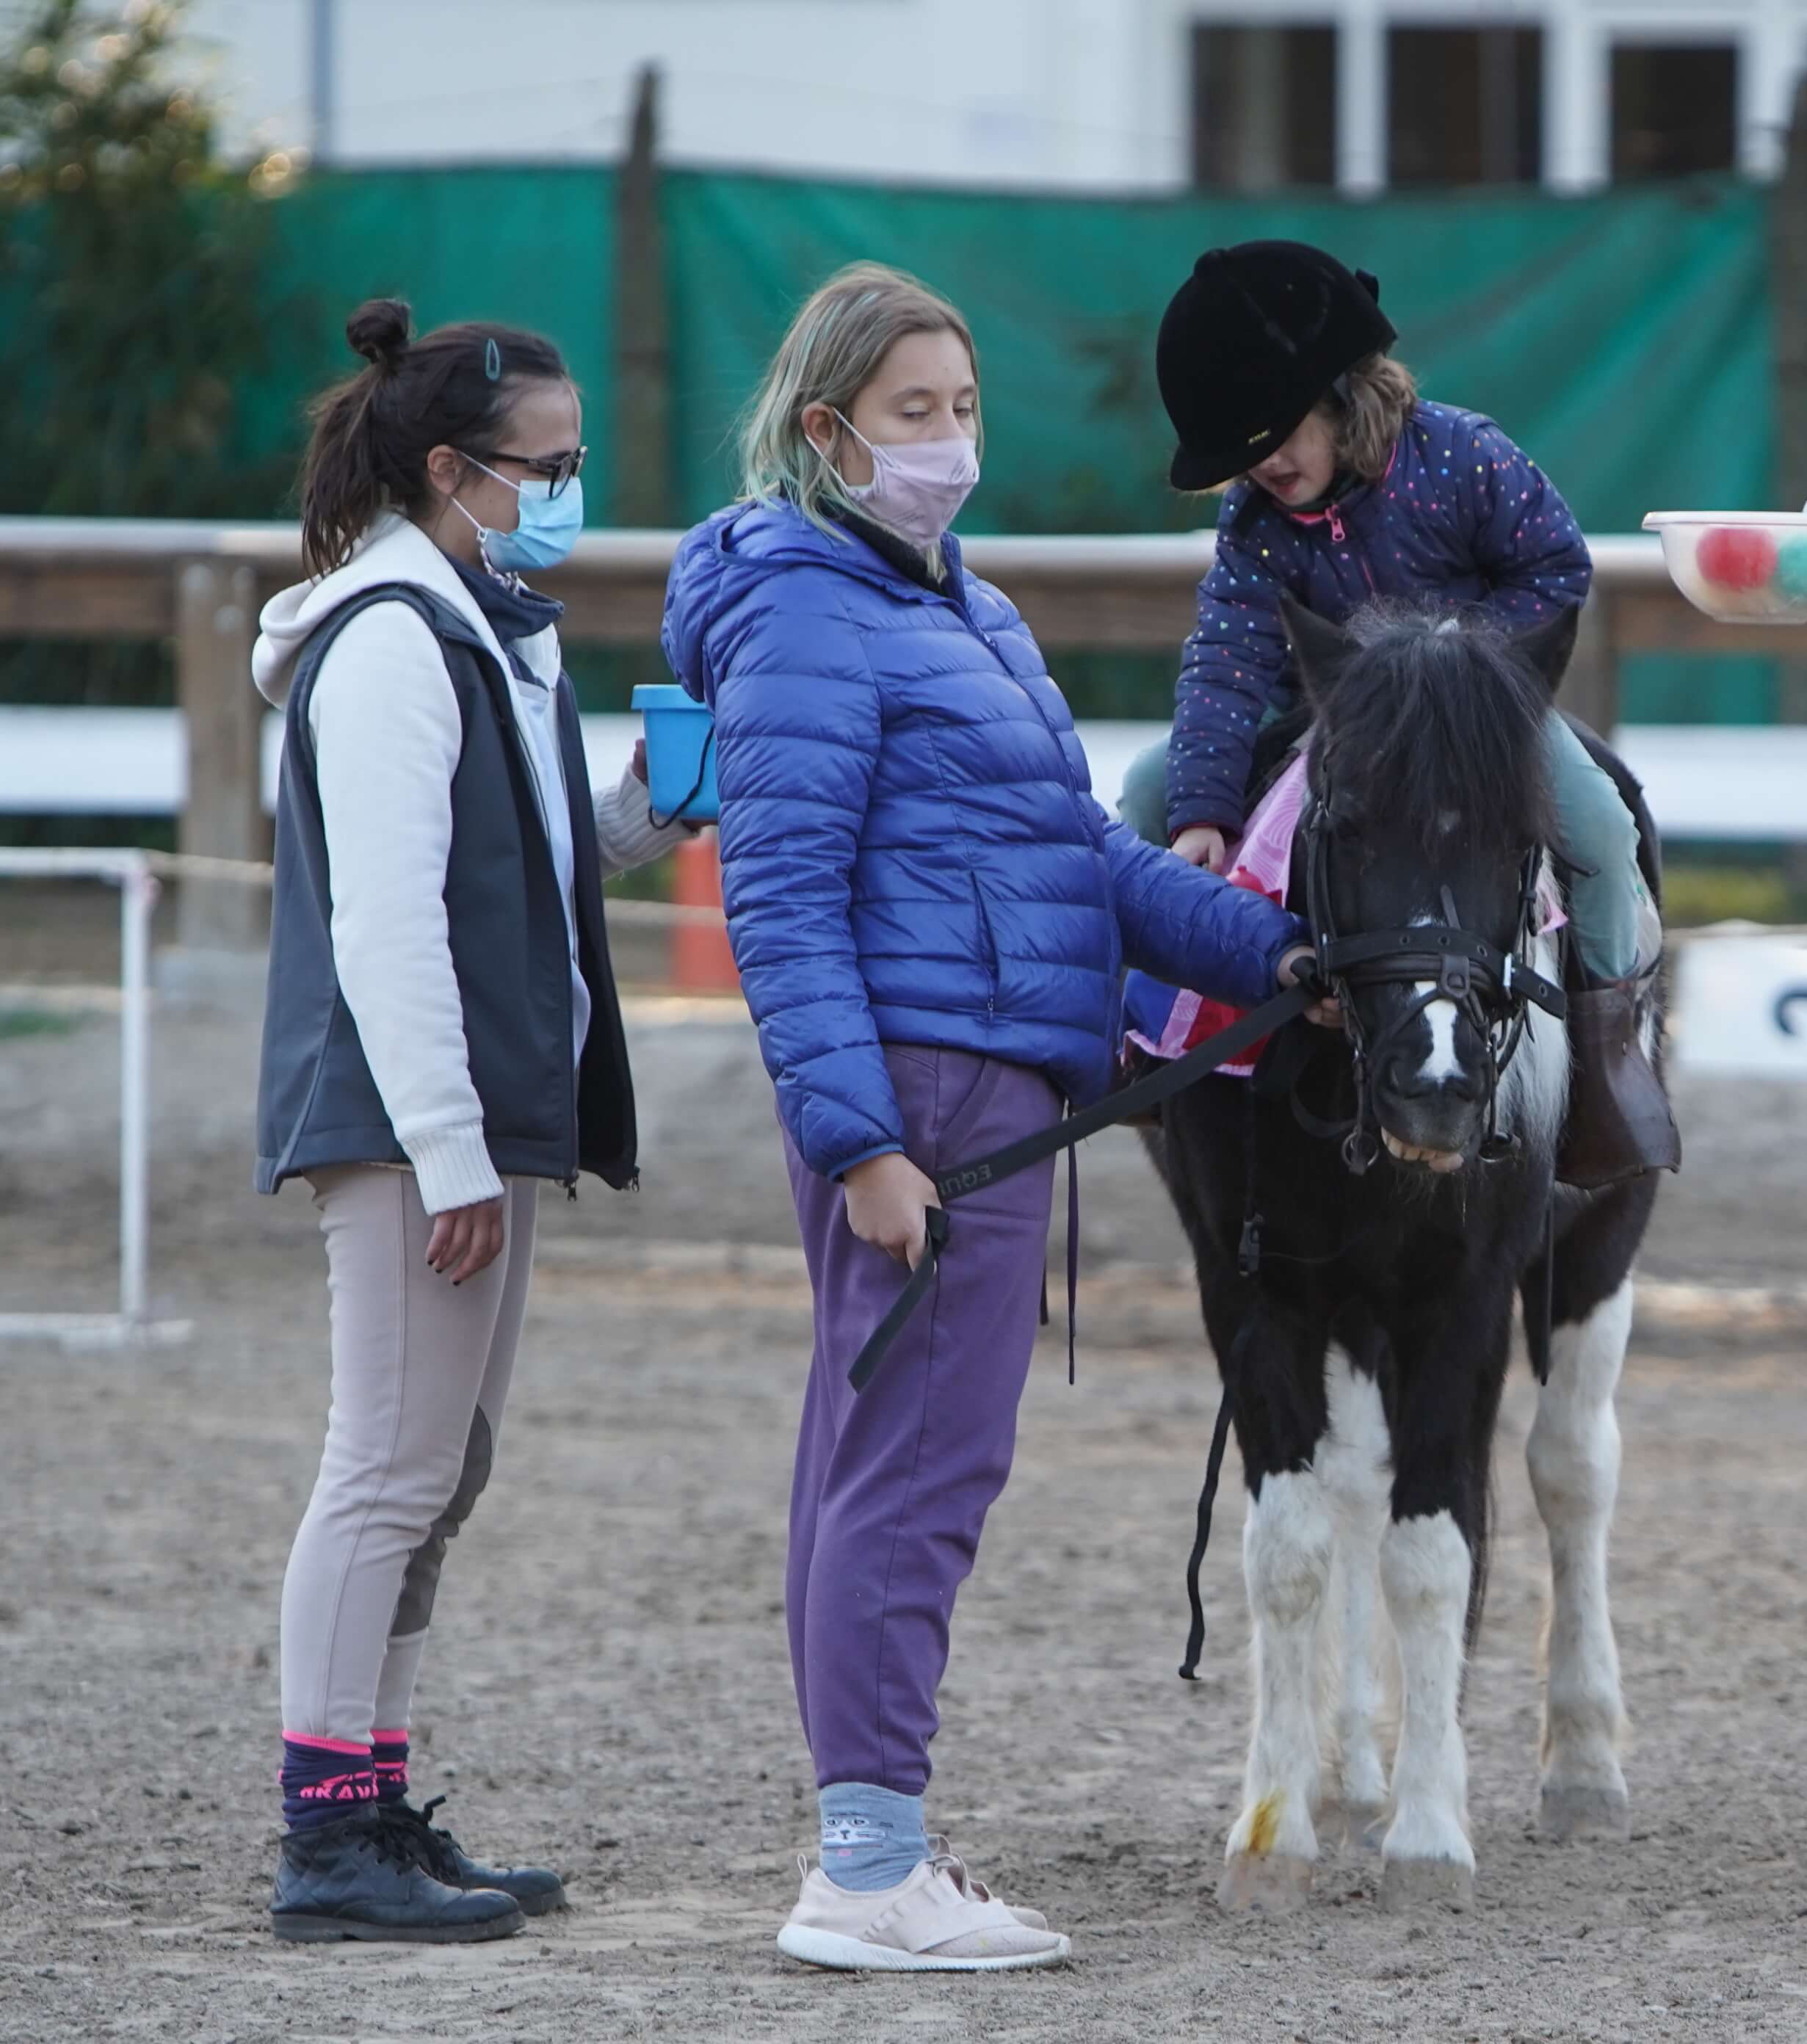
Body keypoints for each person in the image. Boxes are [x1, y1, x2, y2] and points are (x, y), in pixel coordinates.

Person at [662, 262, 1322, 1973]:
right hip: (935, 1099)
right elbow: (785, 901)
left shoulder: (958, 601)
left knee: (868, 1467)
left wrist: (1276, 946)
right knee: (917, 1477)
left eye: (962, 411)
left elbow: (1080, 857)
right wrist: (862, 1143)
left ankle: (867, 1845)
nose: (950, 443)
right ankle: (869, 1870)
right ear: (827, 431)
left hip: (978, 1075)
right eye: (912, 416)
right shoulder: (810, 615)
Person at [256, 300, 695, 1942]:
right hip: (406, 1118)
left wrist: (652, 811)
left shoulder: (490, 625)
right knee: (384, 1467)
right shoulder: (385, 640)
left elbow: (516, 859)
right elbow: (383, 924)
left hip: (482, 1113)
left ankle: (373, 1800)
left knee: (446, 1468)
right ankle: (325, 1835)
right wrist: (446, 1148)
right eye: (551, 466)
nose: (571, 489)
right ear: (452, 468)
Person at [1124, 239, 1678, 1187]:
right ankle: (1156, 1058)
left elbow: (1557, 568)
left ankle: (1604, 1061)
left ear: (1341, 395)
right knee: (1144, 790)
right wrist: (1202, 812)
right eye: (1243, 457)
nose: (1262, 470)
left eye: (1276, 439)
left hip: (1477, 710)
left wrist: (1454, 670)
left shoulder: (1461, 455)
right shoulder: (1254, 524)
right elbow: (1226, 659)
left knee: (1597, 819)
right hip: (1326, 723)